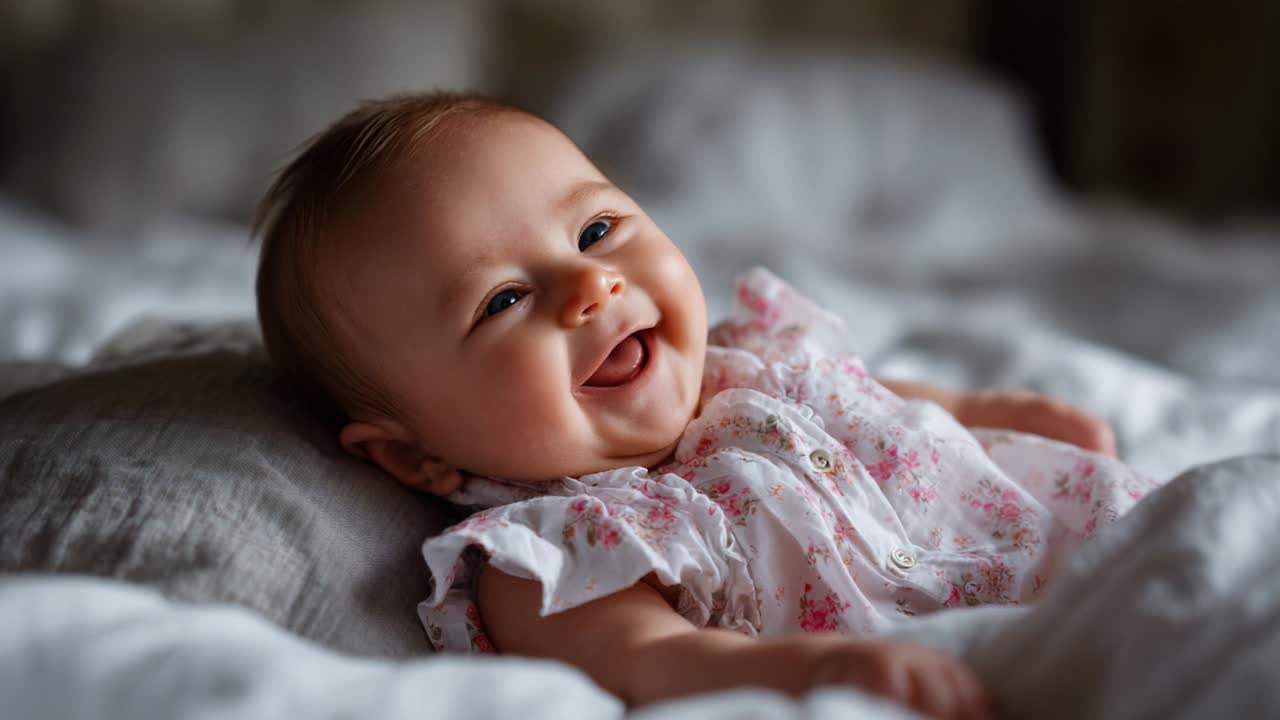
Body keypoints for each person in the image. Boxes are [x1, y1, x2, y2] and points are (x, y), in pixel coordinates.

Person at [254, 92, 1159, 719]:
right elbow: (658, 663)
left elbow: (875, 395)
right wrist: (813, 673)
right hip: (975, 663)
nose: (590, 286)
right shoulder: (563, 554)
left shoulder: (753, 354)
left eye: (597, 230)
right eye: (501, 301)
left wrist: (987, 405)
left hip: (1103, 546)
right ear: (415, 459)